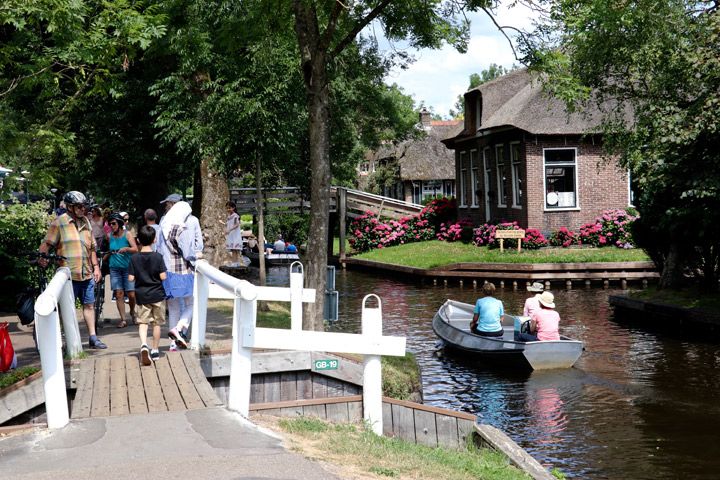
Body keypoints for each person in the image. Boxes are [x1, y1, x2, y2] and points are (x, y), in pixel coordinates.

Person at [38, 191, 107, 349]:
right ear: (70, 207)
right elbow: (47, 244)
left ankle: (93, 337)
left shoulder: (86, 222)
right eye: (79, 206)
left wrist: (96, 267)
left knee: (89, 305)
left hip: (87, 272)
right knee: (66, 310)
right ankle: (65, 342)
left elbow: (92, 249)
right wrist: (42, 257)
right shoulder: (59, 222)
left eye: (84, 206)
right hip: (68, 276)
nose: (83, 209)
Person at [157, 193, 203, 350]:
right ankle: (179, 329)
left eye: (168, 203)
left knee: (174, 307)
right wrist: (197, 254)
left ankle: (173, 344)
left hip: (167, 270)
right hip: (183, 269)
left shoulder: (165, 221)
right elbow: (192, 249)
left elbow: (159, 247)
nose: (166, 206)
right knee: (191, 303)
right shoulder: (188, 223)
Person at [128, 225, 167, 365]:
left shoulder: (134, 258)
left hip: (142, 295)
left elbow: (131, 279)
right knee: (157, 324)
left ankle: (144, 344)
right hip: (157, 294)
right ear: (154, 239)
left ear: (138, 240)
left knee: (143, 323)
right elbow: (163, 277)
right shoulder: (158, 257)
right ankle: (155, 350)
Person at [106, 212, 138, 328]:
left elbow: (135, 249)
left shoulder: (127, 234)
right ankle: (123, 319)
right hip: (114, 268)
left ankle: (132, 311)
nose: (111, 226)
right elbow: (108, 250)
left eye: (113, 223)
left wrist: (126, 249)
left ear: (119, 224)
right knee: (119, 294)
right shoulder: (109, 236)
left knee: (131, 294)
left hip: (128, 268)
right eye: (110, 224)